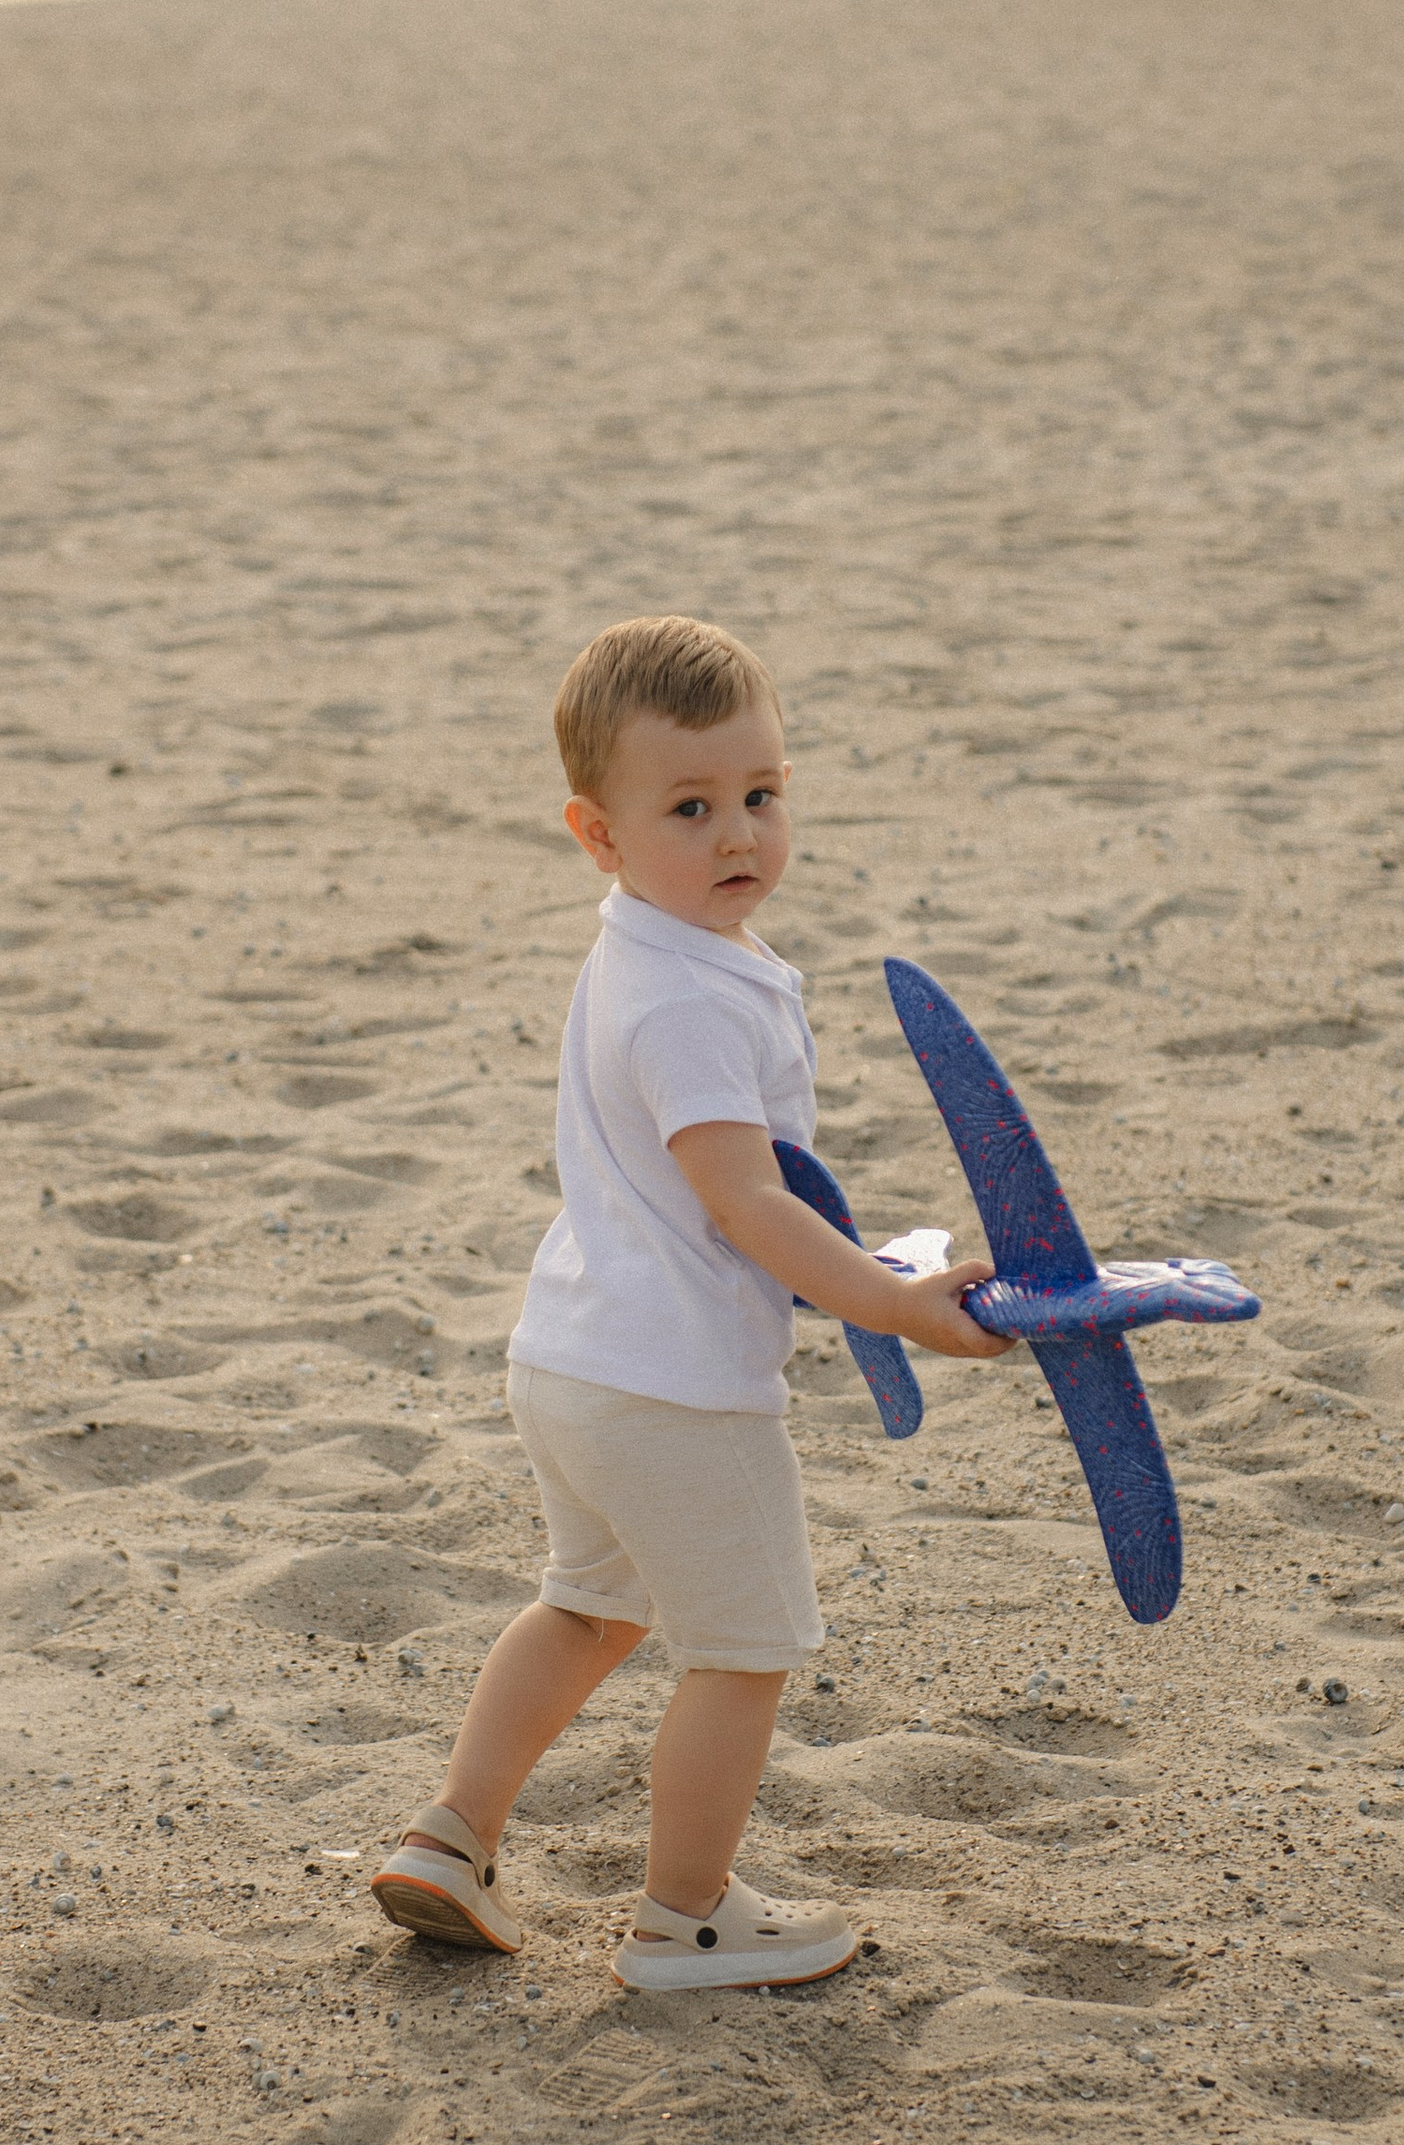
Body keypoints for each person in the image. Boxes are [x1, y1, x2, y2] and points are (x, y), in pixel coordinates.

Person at [369, 613, 1011, 1993]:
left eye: (762, 797)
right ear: (596, 835)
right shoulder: (688, 1007)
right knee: (746, 1648)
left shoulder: (655, 957)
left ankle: (452, 1837)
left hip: (576, 1365)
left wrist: (869, 1266)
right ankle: (688, 1916)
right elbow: (749, 1206)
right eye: (690, 808)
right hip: (674, 1392)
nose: (739, 836)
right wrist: (897, 1307)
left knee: (588, 1612)